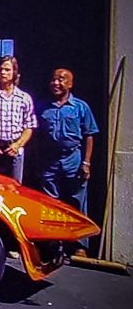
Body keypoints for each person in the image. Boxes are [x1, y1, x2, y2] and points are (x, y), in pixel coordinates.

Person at [37, 68, 99, 257]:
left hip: (73, 158)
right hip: (50, 160)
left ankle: (80, 245)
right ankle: (53, 244)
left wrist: (86, 162)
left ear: (70, 84)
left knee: (76, 201)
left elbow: (89, 135)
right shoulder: (44, 106)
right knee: (50, 203)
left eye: (61, 80)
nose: (56, 83)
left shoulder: (80, 107)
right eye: (54, 79)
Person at [0, 55, 37, 183]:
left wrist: (18, 144)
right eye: (0, 69)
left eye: (7, 70)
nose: (3, 72)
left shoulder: (24, 98)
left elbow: (29, 126)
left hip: (14, 149)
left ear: (14, 72)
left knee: (14, 188)